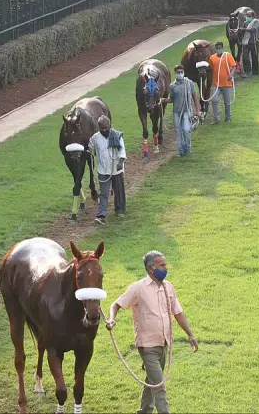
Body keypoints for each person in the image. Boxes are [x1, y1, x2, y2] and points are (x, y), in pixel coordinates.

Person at [105, 251, 198, 414]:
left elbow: (178, 312)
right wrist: (111, 319)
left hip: (164, 343)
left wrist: (190, 334)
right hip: (147, 346)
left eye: (165, 264)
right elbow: (116, 304)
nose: (165, 268)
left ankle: (143, 411)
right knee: (159, 385)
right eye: (162, 265)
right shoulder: (138, 288)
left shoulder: (169, 287)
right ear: (150, 268)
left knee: (152, 382)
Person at [89, 116, 126, 225]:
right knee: (104, 193)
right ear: (98, 127)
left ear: (110, 126)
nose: (104, 130)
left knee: (119, 190)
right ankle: (102, 215)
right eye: (102, 128)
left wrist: (120, 162)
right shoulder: (95, 138)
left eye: (106, 128)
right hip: (103, 170)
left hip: (116, 169)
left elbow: (122, 150)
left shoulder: (117, 136)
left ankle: (120, 209)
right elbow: (90, 147)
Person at [165, 65, 199, 157]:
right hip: (177, 112)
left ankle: (187, 149)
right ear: (175, 73)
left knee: (186, 130)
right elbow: (171, 99)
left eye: (181, 72)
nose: (180, 74)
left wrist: (197, 110)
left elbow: (194, 97)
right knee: (178, 131)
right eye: (178, 72)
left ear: (184, 72)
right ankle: (181, 150)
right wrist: (162, 100)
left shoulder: (189, 83)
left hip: (187, 111)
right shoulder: (172, 86)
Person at [207, 41, 237, 124]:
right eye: (217, 48)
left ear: (222, 48)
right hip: (216, 84)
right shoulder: (212, 58)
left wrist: (230, 75)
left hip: (226, 84)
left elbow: (234, 66)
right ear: (215, 49)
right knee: (214, 101)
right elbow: (211, 68)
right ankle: (216, 119)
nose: (218, 50)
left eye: (220, 48)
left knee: (227, 102)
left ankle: (228, 118)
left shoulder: (227, 56)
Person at [236, 9, 259, 77]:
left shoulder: (256, 22)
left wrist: (243, 29)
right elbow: (243, 32)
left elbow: (253, 30)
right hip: (246, 42)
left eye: (249, 16)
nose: (248, 17)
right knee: (245, 57)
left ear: (253, 16)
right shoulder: (245, 23)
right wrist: (239, 31)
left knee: (254, 57)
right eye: (247, 16)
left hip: (254, 42)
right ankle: (247, 71)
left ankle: (255, 72)